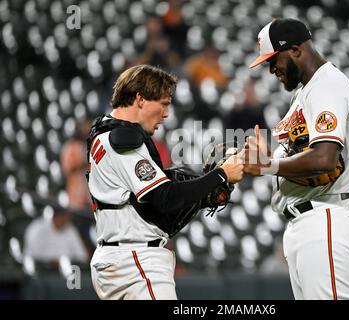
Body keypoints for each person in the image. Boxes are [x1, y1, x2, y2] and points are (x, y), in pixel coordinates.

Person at [87, 64, 244, 300]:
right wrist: (220, 175)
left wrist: (202, 194)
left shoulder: (105, 133)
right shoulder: (122, 140)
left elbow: (143, 202)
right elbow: (164, 198)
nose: (166, 113)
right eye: (163, 103)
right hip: (136, 260)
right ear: (140, 98)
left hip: (120, 256)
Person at [244, 18, 349, 300]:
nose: (271, 69)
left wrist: (268, 165)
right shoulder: (307, 92)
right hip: (311, 221)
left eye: (273, 60)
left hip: (327, 217)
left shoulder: (327, 86)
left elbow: (325, 159)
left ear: (296, 51)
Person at [23, 207, 89, 264]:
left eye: (67, 217)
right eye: (63, 216)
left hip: (66, 269)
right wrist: (52, 261)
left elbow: (82, 257)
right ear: (55, 216)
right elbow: (30, 255)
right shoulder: (37, 228)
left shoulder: (70, 229)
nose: (66, 220)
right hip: (41, 269)